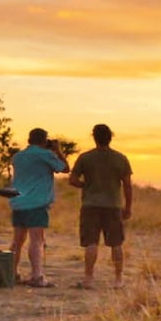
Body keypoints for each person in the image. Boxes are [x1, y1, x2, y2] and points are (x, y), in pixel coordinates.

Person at [68, 123, 133, 289]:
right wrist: (128, 207)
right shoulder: (120, 158)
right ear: (110, 138)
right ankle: (118, 278)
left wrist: (86, 185)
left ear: (94, 138)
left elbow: (73, 180)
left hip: (91, 204)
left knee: (91, 243)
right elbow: (127, 185)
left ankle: (88, 278)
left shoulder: (85, 157)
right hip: (113, 205)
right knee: (116, 243)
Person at [8, 128, 69, 288]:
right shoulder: (46, 155)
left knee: (17, 240)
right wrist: (57, 150)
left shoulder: (18, 156)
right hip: (37, 202)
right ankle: (37, 275)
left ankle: (11, 272)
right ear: (44, 140)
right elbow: (65, 168)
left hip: (18, 201)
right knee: (37, 240)